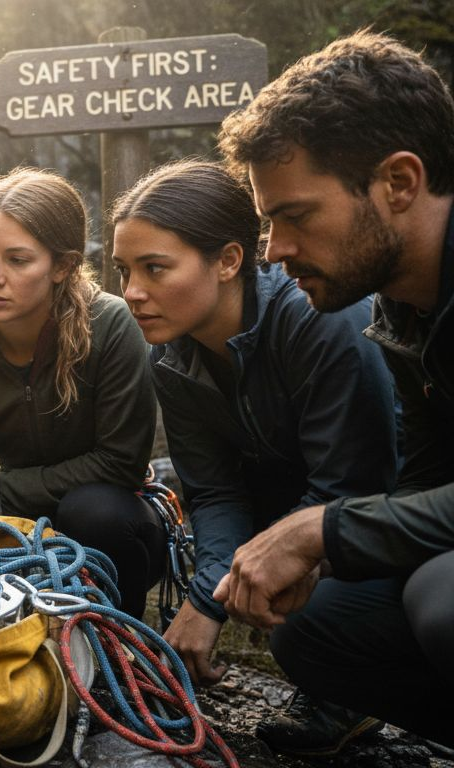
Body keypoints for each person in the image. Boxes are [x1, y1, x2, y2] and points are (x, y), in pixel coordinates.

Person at [215, 30, 454, 748]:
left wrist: (324, 529)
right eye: (268, 222)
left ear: (399, 183)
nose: (275, 250)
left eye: (296, 216)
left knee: (444, 601)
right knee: (318, 627)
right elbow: (430, 477)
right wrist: (322, 556)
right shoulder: (401, 306)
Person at [110, 159, 398, 754]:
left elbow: (356, 480)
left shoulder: (317, 316)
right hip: (302, 506)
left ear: (229, 260)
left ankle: (353, 682)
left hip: (390, 518)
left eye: (155, 268)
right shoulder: (170, 355)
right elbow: (214, 490)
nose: (133, 293)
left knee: (308, 632)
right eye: (124, 271)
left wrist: (215, 596)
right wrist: (204, 600)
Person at [0, 167, 162, 619]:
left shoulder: (111, 325)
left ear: (63, 266)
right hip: (14, 508)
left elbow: (121, 462)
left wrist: (6, 487)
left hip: (111, 517)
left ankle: (122, 637)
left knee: (91, 509)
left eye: (17, 260)